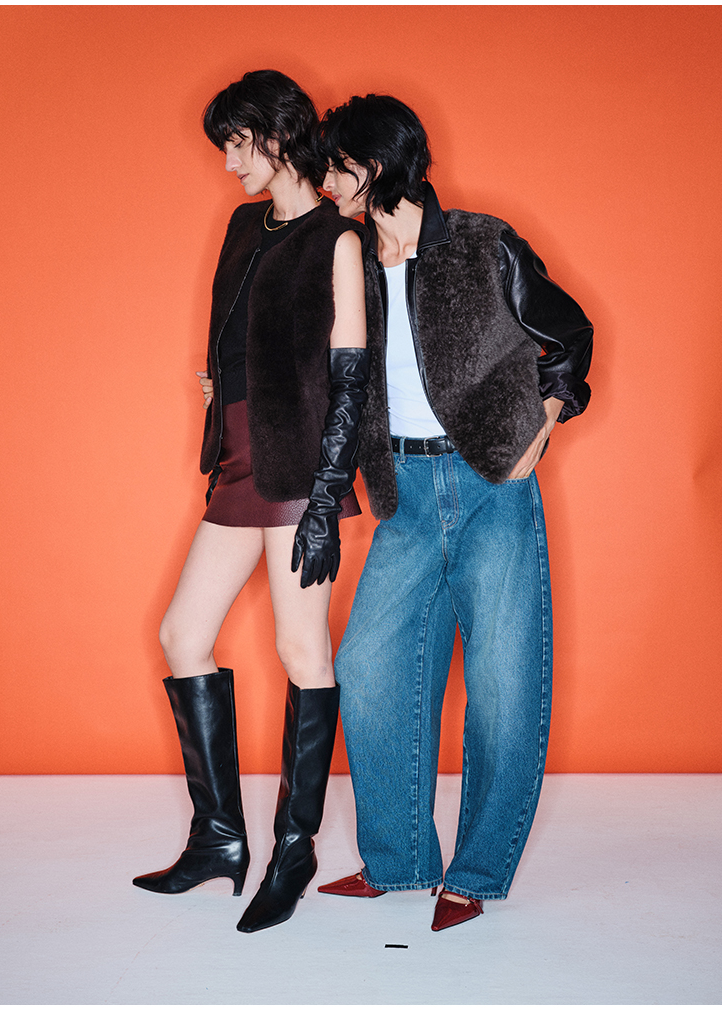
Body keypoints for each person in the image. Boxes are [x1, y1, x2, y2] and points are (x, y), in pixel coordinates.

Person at [316, 94, 593, 931]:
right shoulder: (351, 262)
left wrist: (541, 429)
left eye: (337, 167)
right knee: (368, 664)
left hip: (489, 487)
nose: (326, 182)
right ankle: (398, 859)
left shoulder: (482, 242)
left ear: (376, 165)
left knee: (504, 685)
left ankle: (477, 873)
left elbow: (569, 334)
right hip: (402, 491)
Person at [132, 70, 369, 934]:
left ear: (277, 135)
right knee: (182, 635)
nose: (229, 163)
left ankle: (293, 851)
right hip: (238, 460)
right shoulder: (243, 226)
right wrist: (220, 387)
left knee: (301, 648)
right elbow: (240, 339)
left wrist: (327, 500)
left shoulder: (336, 240)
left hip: (300, 470)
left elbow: (349, 382)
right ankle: (219, 839)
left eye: (237, 144)